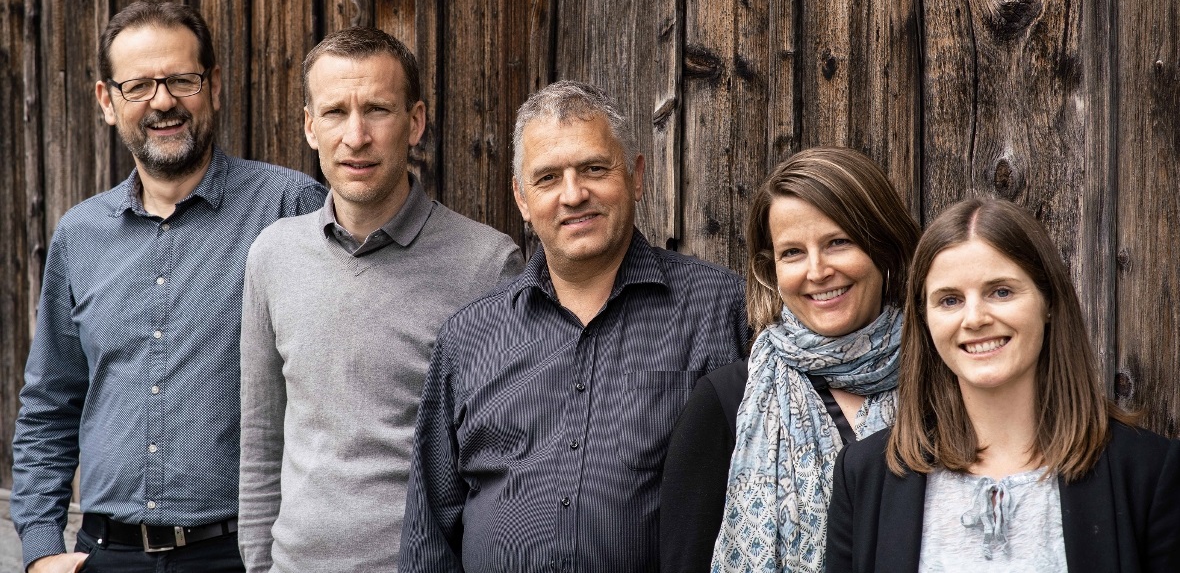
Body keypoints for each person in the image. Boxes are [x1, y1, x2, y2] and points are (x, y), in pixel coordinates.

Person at [10, 1, 326, 573]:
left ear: (215, 86)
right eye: (139, 86)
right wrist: (39, 549)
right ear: (108, 102)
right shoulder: (80, 235)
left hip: (243, 553)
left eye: (182, 79)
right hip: (104, 557)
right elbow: (49, 404)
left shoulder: (290, 209)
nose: (163, 101)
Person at [397, 80, 748, 573]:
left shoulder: (721, 309)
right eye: (547, 179)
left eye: (594, 169)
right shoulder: (466, 338)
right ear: (522, 198)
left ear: (636, 175)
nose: (573, 195)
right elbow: (429, 533)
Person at [237, 27, 523, 573]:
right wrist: (258, 565)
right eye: (335, 113)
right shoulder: (273, 255)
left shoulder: (487, 265)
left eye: (377, 110)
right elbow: (261, 438)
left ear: (414, 122)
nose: (356, 135)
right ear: (309, 126)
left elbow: (504, 463)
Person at [826, 198, 1180, 571]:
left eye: (1001, 292)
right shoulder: (865, 475)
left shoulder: (1148, 472)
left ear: (1048, 302)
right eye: (950, 300)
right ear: (925, 320)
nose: (975, 318)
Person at [660, 147, 920, 573]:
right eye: (793, 253)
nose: (817, 271)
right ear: (771, 269)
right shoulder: (726, 401)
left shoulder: (942, 384)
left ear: (884, 248)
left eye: (838, 242)